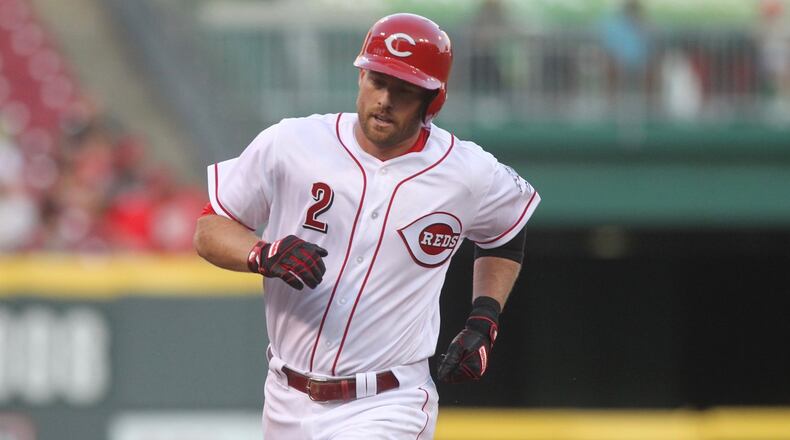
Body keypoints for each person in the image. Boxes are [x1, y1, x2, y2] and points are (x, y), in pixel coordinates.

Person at [194, 13, 540, 439]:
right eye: (378, 81)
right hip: (285, 397)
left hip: (389, 400)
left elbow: (507, 232)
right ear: (361, 78)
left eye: (404, 90)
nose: (385, 100)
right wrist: (261, 253)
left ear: (432, 100)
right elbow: (210, 227)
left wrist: (483, 320)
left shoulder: (467, 171)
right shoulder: (292, 142)